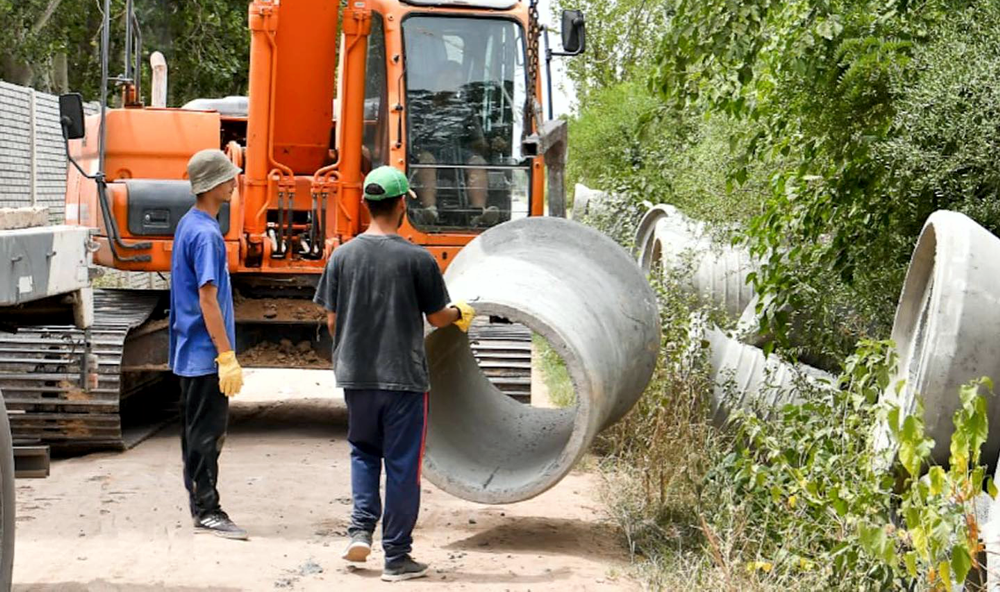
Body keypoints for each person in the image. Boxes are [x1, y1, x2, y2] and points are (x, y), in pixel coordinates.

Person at [313, 165, 475, 582]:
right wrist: (461, 313)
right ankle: (397, 557)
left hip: (356, 376)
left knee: (363, 452)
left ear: (366, 204)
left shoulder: (342, 257)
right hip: (403, 379)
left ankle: (360, 530)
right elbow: (438, 318)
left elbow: (331, 321)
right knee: (402, 464)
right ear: (402, 204)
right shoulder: (416, 259)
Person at [169, 148, 247, 540]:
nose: (235, 182)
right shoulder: (206, 235)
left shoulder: (189, 224)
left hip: (190, 350)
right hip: (204, 354)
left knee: (194, 432)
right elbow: (207, 297)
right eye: (229, 177)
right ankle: (208, 510)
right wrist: (225, 354)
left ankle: (200, 503)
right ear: (213, 185)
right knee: (206, 435)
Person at [410, 60, 498, 228]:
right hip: (426, 151)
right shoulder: (418, 106)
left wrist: (491, 145)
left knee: (477, 162)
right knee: (427, 160)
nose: (452, 84)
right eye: (448, 78)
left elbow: (478, 141)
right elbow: (410, 137)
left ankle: (478, 213)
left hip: (457, 153)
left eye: (456, 80)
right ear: (436, 79)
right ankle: (430, 210)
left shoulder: (465, 109)